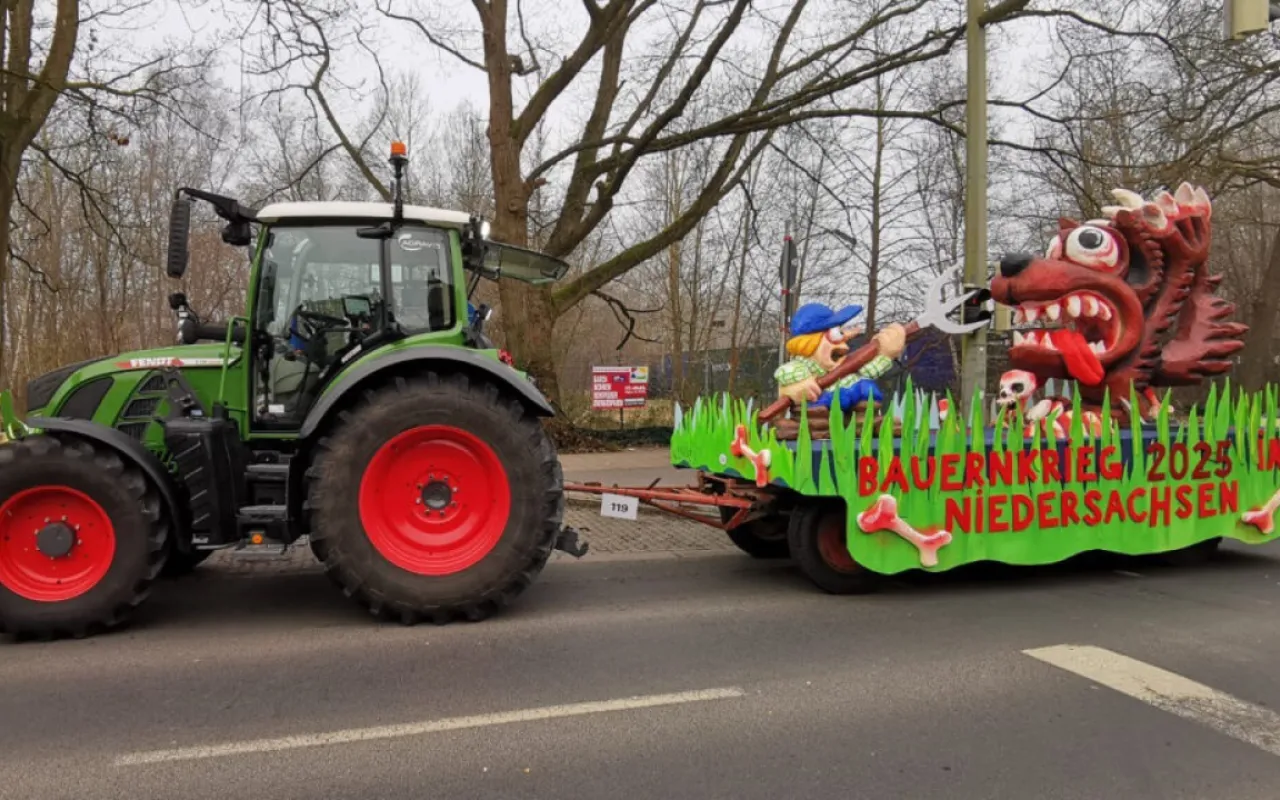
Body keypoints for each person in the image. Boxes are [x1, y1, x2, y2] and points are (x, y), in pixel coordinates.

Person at [774, 302, 907, 413]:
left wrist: (886, 354)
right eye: (836, 335)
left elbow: (866, 371)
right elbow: (784, 373)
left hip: (850, 425)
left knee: (867, 387)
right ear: (808, 343)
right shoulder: (801, 367)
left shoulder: (843, 368)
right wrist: (799, 385)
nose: (845, 346)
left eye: (841, 335)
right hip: (818, 416)